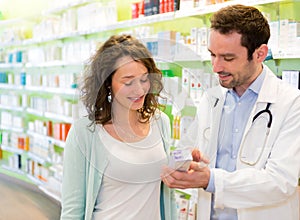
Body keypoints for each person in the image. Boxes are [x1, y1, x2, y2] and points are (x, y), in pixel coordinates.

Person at [161, 4, 300, 220]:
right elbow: (188, 150)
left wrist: (210, 179)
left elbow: (281, 181)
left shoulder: (291, 103)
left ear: (259, 54)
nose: (216, 67)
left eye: (228, 58)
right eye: (212, 55)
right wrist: (183, 162)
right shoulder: (211, 99)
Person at [60, 34, 176, 220]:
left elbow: (168, 198)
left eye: (144, 79)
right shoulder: (85, 132)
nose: (139, 90)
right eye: (128, 82)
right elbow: (72, 210)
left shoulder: (160, 122)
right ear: (107, 84)